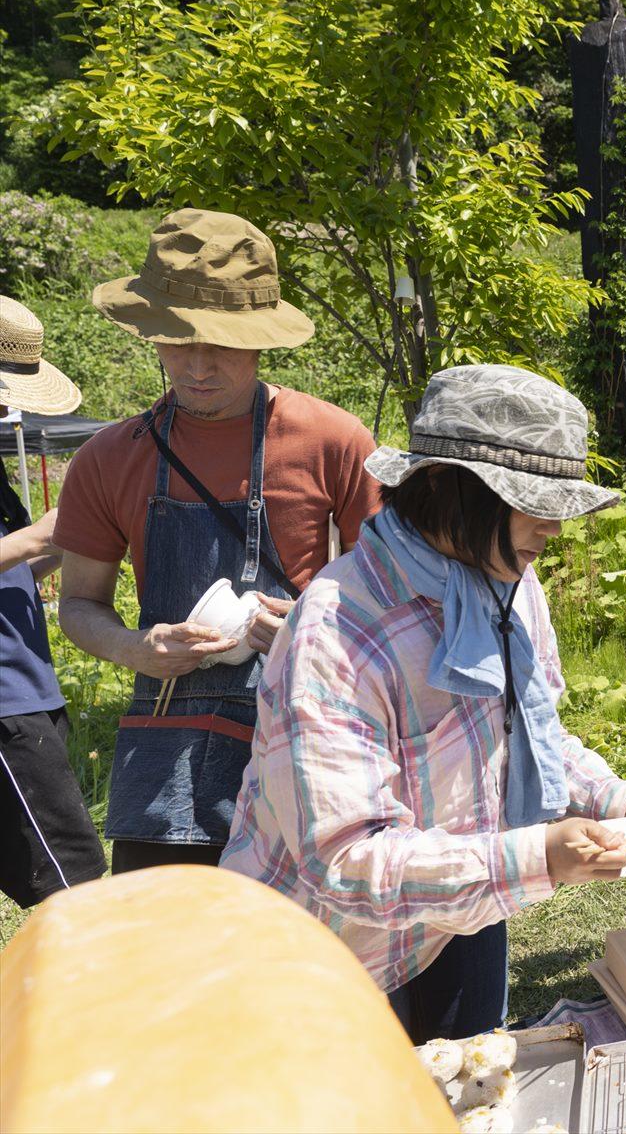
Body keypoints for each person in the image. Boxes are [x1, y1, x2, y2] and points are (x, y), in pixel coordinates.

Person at [224, 364, 626, 1042]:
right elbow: (345, 861)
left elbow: (526, 730)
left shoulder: (508, 580)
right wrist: (537, 858)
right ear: (441, 486)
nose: (554, 529)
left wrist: (616, 799)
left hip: (458, 913)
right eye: (531, 502)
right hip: (330, 958)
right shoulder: (339, 630)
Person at [55, 209, 381, 873]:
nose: (198, 366)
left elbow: (397, 598)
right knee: (165, 955)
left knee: (297, 958)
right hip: (165, 746)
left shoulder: (334, 442)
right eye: (179, 341)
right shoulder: (109, 457)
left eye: (223, 345)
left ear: (261, 339)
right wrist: (136, 649)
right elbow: (78, 606)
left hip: (308, 742)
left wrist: (311, 621)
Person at [0, 296, 106, 906]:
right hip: (6, 701)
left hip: (25, 685)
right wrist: (46, 531)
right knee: (72, 881)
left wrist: (68, 542)